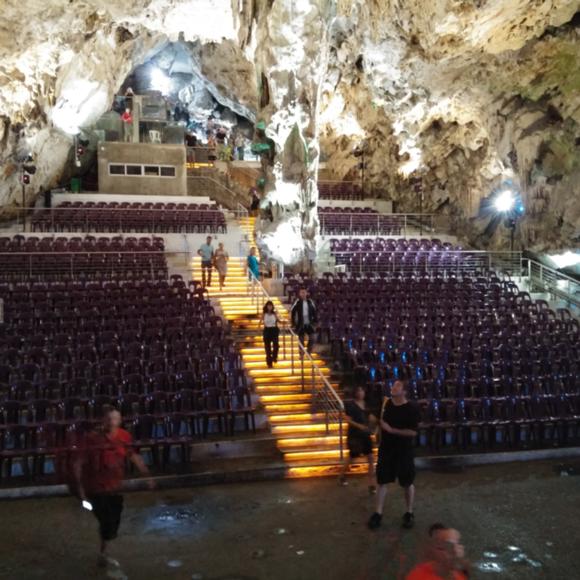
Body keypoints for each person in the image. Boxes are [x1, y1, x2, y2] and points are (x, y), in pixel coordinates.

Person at [74, 409, 153, 567]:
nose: (112, 422)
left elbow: (133, 456)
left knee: (113, 521)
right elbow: (79, 462)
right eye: (109, 419)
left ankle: (104, 551)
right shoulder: (92, 439)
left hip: (115, 486)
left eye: (115, 418)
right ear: (104, 421)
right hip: (96, 488)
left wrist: (147, 476)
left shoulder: (124, 436)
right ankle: (103, 553)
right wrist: (80, 487)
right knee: (106, 520)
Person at [368, 379, 420, 530]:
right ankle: (378, 513)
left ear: (404, 391)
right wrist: (373, 421)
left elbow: (413, 432)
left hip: (404, 450)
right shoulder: (385, 404)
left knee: (407, 482)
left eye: (398, 385)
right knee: (382, 481)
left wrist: (392, 430)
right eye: (394, 384)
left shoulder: (411, 408)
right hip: (386, 448)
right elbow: (376, 422)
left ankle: (409, 512)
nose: (393, 387)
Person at [339, 385, 376, 493]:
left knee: (370, 458)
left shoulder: (367, 404)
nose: (361, 393)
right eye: (359, 391)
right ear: (355, 393)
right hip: (355, 435)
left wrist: (373, 422)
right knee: (352, 457)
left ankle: (371, 484)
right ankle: (342, 475)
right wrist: (359, 426)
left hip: (365, 434)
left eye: (362, 390)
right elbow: (347, 419)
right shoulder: (351, 405)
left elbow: (370, 417)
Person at [290, 287, 317, 356]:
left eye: (304, 292)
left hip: (309, 323)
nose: (303, 294)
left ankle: (308, 351)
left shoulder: (310, 301)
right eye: (302, 292)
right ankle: (301, 353)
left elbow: (314, 311)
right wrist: (293, 323)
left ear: (306, 293)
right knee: (301, 339)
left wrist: (315, 321)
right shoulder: (297, 302)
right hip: (300, 324)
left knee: (313, 337)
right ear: (299, 293)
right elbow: (292, 312)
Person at [262, 300, 280, 368]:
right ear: (266, 306)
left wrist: (283, 322)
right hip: (267, 330)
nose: (270, 307)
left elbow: (278, 320)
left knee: (276, 345)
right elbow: (261, 321)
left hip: (274, 330)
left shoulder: (274, 314)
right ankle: (269, 362)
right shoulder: (264, 314)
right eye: (268, 306)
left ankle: (274, 357)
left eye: (271, 306)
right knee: (267, 348)